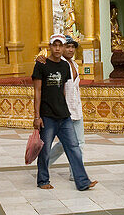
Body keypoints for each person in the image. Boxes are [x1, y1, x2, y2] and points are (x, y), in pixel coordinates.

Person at [32, 35, 95, 192]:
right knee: (45, 149)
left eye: (62, 45)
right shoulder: (41, 65)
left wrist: (65, 109)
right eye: (55, 45)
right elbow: (37, 91)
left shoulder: (65, 66)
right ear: (50, 46)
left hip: (64, 115)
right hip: (47, 115)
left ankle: (82, 181)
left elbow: (63, 90)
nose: (58, 49)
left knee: (74, 147)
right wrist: (37, 116)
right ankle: (42, 180)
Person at [47, 37, 84, 179]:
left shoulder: (75, 64)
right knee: (66, 143)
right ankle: (44, 163)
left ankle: (75, 174)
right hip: (63, 111)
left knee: (78, 143)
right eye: (67, 47)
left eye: (72, 47)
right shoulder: (58, 65)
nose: (70, 50)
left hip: (76, 109)